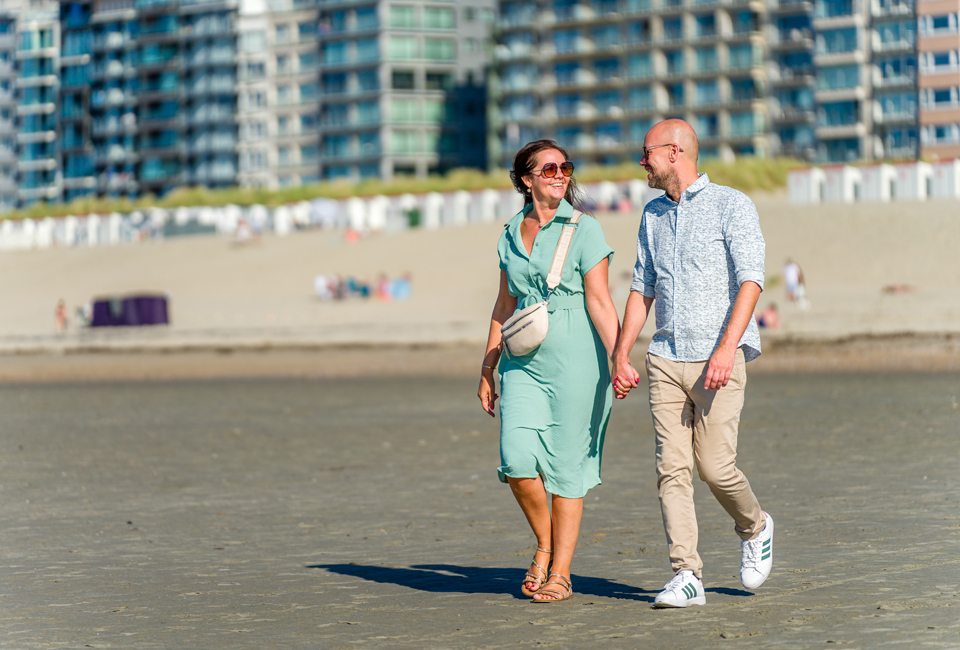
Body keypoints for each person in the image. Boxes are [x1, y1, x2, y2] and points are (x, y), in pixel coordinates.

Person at [612, 119, 774, 608]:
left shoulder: (732, 205)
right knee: (672, 470)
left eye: (647, 154)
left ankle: (756, 526)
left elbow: (751, 281)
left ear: (675, 151)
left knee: (715, 468)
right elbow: (643, 288)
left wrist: (728, 349)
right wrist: (622, 352)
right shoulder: (652, 214)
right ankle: (687, 574)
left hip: (716, 358)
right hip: (664, 358)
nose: (642, 162)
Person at [478, 140, 621, 602]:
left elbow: (600, 301)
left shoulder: (586, 229)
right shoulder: (508, 232)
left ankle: (560, 571)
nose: (560, 175)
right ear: (526, 178)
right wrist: (488, 366)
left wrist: (620, 357)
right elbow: (504, 303)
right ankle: (545, 543)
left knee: (565, 470)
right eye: (550, 168)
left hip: (579, 363)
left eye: (566, 168)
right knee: (517, 460)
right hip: (521, 365)